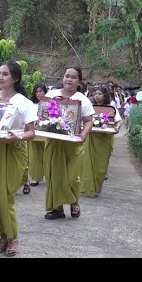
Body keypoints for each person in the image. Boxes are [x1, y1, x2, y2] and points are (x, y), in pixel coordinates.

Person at [0, 61, 37, 256]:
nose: (0, 77)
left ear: (15, 78)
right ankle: (3, 236)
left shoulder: (24, 103)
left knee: (6, 195)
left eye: (5, 74)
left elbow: (32, 132)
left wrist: (18, 136)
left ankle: (13, 238)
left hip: (15, 150)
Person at [43, 67, 94, 220]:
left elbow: (89, 121)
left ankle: (73, 202)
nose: (69, 80)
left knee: (73, 176)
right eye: (67, 76)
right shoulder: (51, 95)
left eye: (73, 77)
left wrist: (84, 134)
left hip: (73, 143)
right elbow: (42, 116)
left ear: (79, 81)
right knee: (54, 175)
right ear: (62, 77)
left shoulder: (82, 99)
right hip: (53, 142)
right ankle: (56, 208)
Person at [81, 86, 121, 197]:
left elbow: (118, 121)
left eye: (99, 94)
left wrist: (117, 128)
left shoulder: (111, 108)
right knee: (88, 162)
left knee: (102, 164)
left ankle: (98, 186)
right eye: (95, 94)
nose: (96, 96)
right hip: (91, 138)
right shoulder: (90, 107)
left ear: (105, 95)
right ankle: (88, 188)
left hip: (105, 138)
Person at [28, 83, 48, 187]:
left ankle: (50, 176)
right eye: (36, 91)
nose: (38, 93)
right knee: (35, 155)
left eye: (40, 91)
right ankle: (35, 177)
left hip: (47, 132)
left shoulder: (51, 104)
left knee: (48, 154)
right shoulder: (32, 104)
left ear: (45, 92)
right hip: (34, 132)